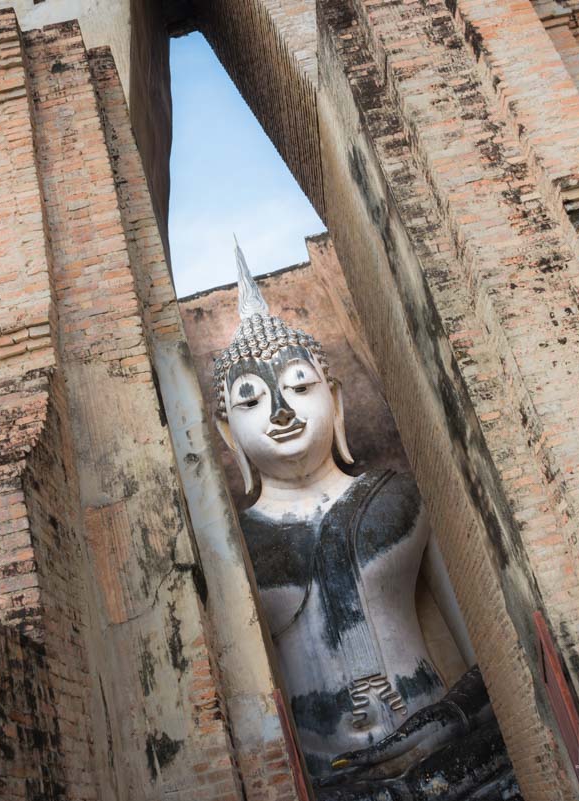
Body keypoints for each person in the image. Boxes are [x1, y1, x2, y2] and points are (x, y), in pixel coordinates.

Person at [213, 243, 522, 800]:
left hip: (451, 762)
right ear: (226, 433)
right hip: (328, 783)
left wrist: (451, 715)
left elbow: (493, 645)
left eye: (300, 387)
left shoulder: (399, 496)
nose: (282, 413)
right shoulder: (232, 550)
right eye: (252, 402)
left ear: (334, 398)